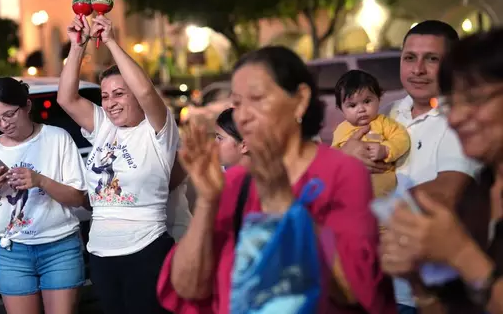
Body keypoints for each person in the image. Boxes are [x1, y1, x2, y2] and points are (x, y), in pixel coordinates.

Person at [157, 46, 396, 313]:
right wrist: (208, 203)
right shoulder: (236, 181)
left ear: (300, 99)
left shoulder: (341, 173)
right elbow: (188, 287)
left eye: (258, 99)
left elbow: (354, 290)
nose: (244, 115)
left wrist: (284, 204)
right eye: (237, 103)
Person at [340, 20, 482, 314]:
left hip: (428, 294)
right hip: (375, 284)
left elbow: (446, 193)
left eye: (432, 59)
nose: (417, 70)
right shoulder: (389, 113)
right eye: (409, 58)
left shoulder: (461, 121)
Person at [57, 14, 177, 314]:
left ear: (135, 96)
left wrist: (109, 41)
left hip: (146, 249)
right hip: (100, 252)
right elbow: (66, 99)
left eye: (120, 94)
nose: (110, 103)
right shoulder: (103, 126)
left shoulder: (157, 130)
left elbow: (148, 92)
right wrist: (78, 46)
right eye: (105, 96)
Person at [381, 29, 503, 314]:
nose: (457, 118)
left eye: (474, 99)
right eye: (452, 104)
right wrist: (418, 284)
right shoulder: (477, 196)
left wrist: (460, 253)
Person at [0, 78, 88, 314]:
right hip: (12, 251)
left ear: (26, 105)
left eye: (9, 114)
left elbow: (78, 198)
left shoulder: (57, 138)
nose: (3, 123)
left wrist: (40, 180)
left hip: (59, 247)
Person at [332, 70, 410, 199]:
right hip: (351, 193)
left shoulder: (384, 122)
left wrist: (386, 149)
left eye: (367, 101)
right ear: (341, 109)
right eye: (352, 105)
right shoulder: (341, 130)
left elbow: (402, 138)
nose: (361, 109)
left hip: (383, 193)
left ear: (378, 99)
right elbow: (332, 156)